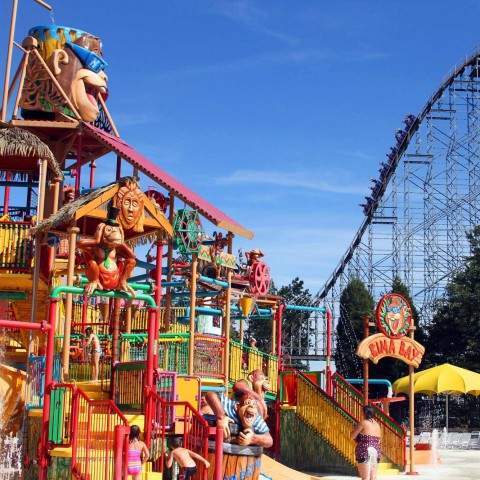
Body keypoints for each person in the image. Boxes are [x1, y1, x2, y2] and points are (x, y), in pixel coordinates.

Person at [351, 405, 382, 480]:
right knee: (373, 478)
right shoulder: (377, 425)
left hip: (365, 451)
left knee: (365, 478)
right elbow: (379, 440)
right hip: (376, 451)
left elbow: (352, 436)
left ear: (365, 413)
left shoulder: (363, 422)